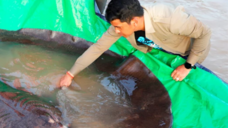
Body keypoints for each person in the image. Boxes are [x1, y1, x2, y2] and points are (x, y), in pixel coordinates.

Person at [59, 0, 211, 87]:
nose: (116, 31)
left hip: (186, 52)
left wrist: (187, 66)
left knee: (188, 83)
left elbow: (204, 33)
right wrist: (70, 74)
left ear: (134, 21)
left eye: (118, 27)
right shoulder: (121, 26)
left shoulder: (168, 18)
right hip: (157, 49)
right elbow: (98, 48)